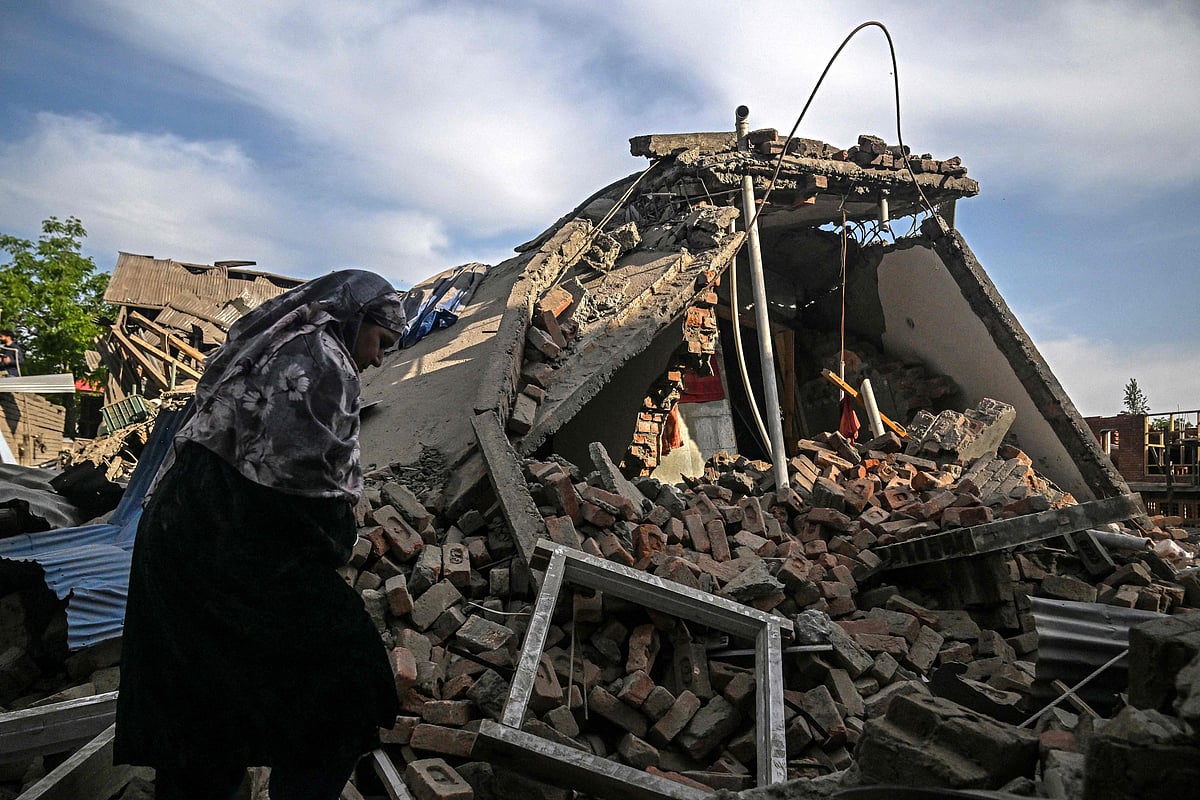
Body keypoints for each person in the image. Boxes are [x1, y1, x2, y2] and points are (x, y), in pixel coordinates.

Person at [114, 270, 405, 800]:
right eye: (381, 342)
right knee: (349, 686)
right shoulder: (323, 360)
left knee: (199, 707)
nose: (379, 359)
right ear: (357, 318)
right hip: (226, 539)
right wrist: (335, 541)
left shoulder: (289, 343)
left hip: (185, 531)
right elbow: (302, 485)